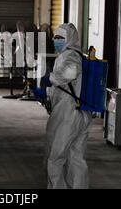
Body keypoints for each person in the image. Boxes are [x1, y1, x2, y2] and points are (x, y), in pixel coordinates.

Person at [45, 23, 92, 189]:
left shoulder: (70, 55)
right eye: (55, 37)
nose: (56, 40)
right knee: (76, 158)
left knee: (55, 158)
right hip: (80, 113)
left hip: (68, 114)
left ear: (69, 39)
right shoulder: (74, 54)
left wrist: (51, 77)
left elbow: (71, 72)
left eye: (60, 38)